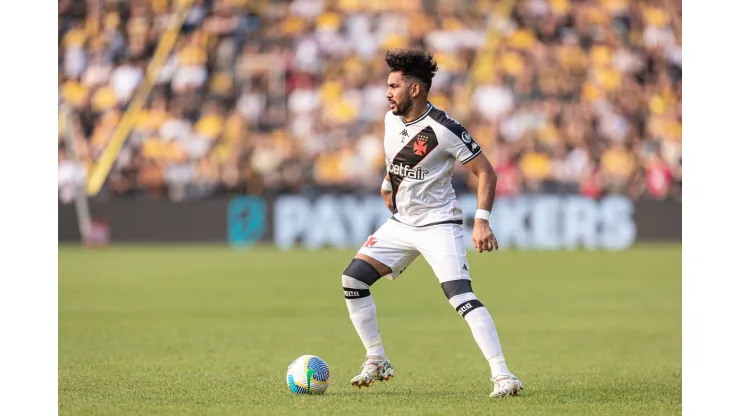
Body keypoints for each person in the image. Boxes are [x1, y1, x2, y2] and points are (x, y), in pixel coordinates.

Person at [340, 48, 524, 398]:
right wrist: (386, 182)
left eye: (394, 86)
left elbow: (485, 171)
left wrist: (481, 221)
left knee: (461, 297)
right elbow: (398, 159)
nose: (387, 92)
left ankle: (503, 375)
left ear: (415, 90)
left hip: (439, 225)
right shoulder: (390, 120)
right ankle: (377, 358)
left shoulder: (444, 129)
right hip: (402, 224)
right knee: (353, 280)